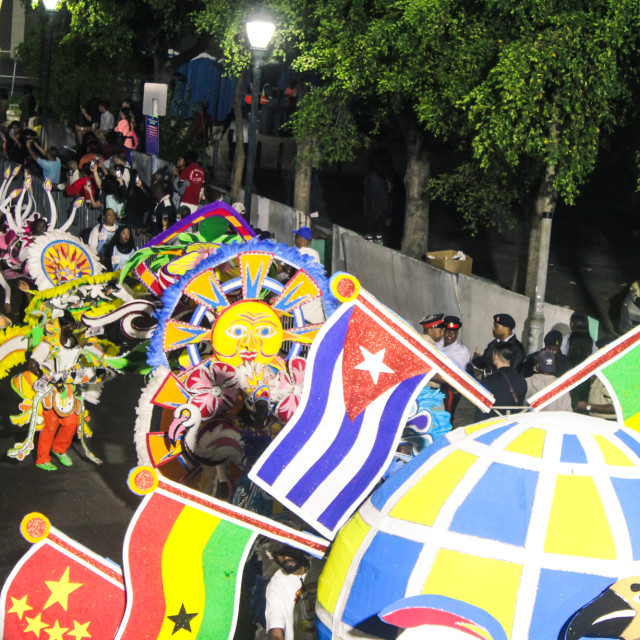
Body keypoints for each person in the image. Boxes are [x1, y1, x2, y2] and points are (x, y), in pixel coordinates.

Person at [27, 312, 102, 471]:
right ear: (60, 326)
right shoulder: (49, 343)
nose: (71, 328)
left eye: (72, 325)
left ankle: (59, 449)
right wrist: (50, 380)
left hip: (69, 388)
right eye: (68, 326)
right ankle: (42, 459)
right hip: (51, 390)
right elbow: (33, 364)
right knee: (50, 426)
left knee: (71, 423)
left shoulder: (76, 342)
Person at [265, 545, 317, 640]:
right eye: (280, 554)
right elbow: (276, 632)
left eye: (288, 551)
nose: (285, 557)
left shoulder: (320, 566)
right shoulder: (277, 584)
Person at [475, 342, 527, 420]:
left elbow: (481, 411)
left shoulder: (489, 380)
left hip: (493, 425)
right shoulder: (522, 380)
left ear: (495, 356)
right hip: (513, 425)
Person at [363, 143, 394, 245]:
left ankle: (371, 234)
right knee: (380, 210)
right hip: (380, 184)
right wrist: (388, 181)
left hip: (373, 184)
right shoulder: (384, 154)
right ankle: (378, 234)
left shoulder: (372, 154)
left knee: (373, 210)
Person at [441, 315, 471, 421]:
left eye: (453, 332)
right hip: (435, 388)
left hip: (449, 390)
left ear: (457, 333)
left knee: (446, 417)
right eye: (447, 331)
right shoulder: (437, 344)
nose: (450, 335)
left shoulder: (462, 351)